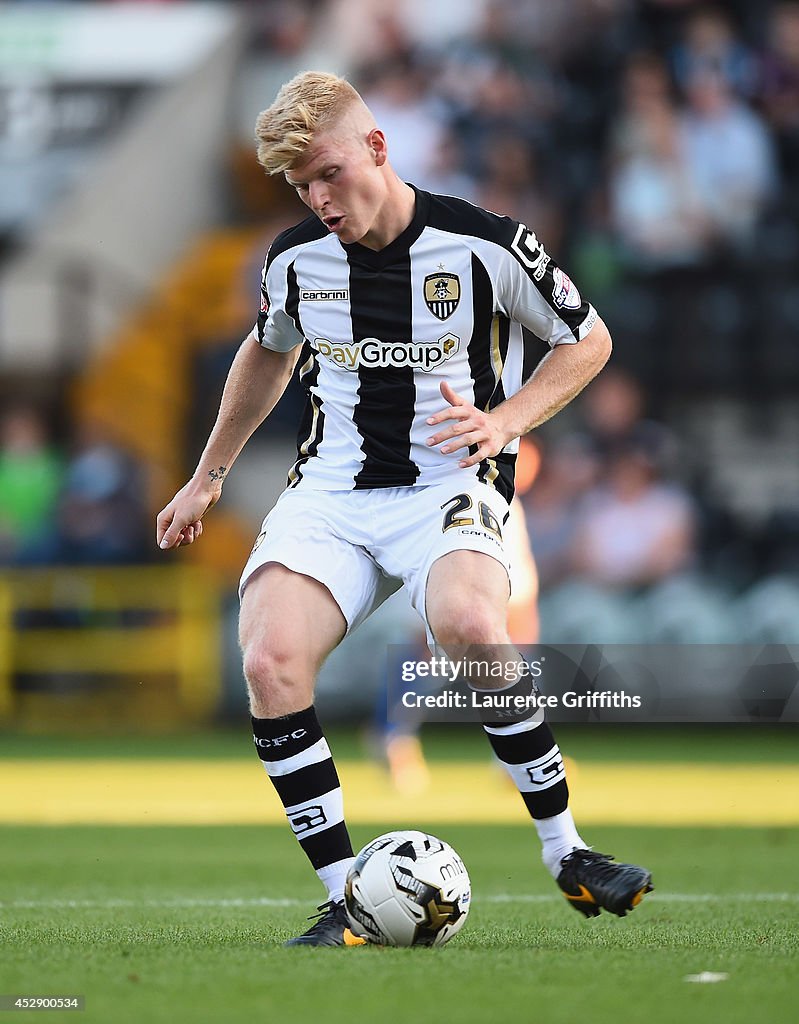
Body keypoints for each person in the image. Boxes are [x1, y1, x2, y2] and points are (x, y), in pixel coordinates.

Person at [156, 70, 652, 947]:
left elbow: (589, 341)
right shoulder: (293, 260)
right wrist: (208, 476)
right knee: (269, 660)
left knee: (469, 624)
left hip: (446, 487)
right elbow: (265, 355)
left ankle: (566, 854)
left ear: (376, 149)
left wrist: (504, 421)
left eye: (326, 174)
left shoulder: (485, 244)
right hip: (333, 495)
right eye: (299, 185)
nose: (317, 199)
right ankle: (348, 896)